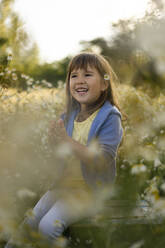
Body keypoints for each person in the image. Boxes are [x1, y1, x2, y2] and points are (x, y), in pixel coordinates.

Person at [5, 52, 124, 247]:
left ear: (104, 84)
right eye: (74, 75)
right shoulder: (69, 116)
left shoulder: (110, 117)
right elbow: (63, 155)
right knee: (28, 224)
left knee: (47, 227)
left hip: (90, 192)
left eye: (87, 75)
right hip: (63, 187)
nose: (79, 80)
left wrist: (66, 141)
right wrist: (55, 143)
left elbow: (102, 159)